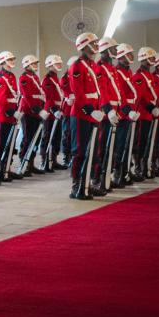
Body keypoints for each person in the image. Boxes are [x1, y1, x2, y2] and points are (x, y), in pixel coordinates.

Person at [69, 32, 105, 200]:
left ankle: (87, 184)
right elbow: (78, 92)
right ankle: (77, 185)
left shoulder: (93, 65)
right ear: (84, 46)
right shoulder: (77, 66)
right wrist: (90, 110)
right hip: (82, 114)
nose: (96, 46)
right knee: (80, 151)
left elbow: (97, 92)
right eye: (93, 43)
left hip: (94, 114)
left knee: (93, 151)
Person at [91, 37, 123, 193]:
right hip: (105, 113)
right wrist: (109, 109)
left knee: (111, 147)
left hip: (114, 112)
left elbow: (117, 92)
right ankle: (96, 179)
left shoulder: (111, 68)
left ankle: (106, 177)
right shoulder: (100, 68)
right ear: (106, 50)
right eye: (114, 48)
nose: (116, 51)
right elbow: (102, 91)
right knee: (101, 148)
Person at [113, 43, 141, 187]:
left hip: (130, 112)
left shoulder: (128, 72)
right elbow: (120, 94)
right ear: (121, 56)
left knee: (127, 145)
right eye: (129, 54)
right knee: (119, 146)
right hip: (123, 113)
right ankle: (118, 174)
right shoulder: (117, 72)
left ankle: (125, 171)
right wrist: (127, 110)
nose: (131, 57)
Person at [0, 51, 23, 181]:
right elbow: (1, 99)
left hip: (12, 114)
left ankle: (7, 168)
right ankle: (0, 169)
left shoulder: (11, 75)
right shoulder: (0, 77)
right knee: (1, 143)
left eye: (12, 59)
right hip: (4, 115)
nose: (12, 61)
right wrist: (12, 112)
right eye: (10, 59)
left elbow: (14, 96)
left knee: (10, 143)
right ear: (3, 61)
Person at [16, 55, 48, 177]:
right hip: (29, 111)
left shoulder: (34, 76)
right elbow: (28, 96)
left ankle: (31, 163)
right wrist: (37, 110)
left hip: (37, 110)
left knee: (36, 138)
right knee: (28, 138)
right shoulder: (24, 78)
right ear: (27, 64)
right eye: (33, 63)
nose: (35, 65)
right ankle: (24, 162)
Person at [131, 47, 159, 181]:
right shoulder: (138, 76)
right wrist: (150, 108)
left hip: (150, 113)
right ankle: (138, 167)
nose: (153, 60)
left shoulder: (149, 75)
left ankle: (146, 165)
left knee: (148, 142)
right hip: (142, 114)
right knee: (140, 142)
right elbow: (140, 97)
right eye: (151, 57)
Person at [40, 54, 66, 172]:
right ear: (50, 65)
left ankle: (53, 160)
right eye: (57, 63)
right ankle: (44, 161)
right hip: (50, 112)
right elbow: (48, 98)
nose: (59, 65)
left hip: (58, 111)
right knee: (47, 136)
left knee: (56, 137)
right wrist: (54, 110)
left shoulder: (55, 78)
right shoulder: (47, 79)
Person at [60, 56, 77, 169]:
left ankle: (73, 155)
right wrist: (70, 95)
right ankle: (66, 156)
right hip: (67, 108)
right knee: (67, 133)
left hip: (76, 108)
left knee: (74, 134)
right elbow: (65, 89)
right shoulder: (65, 78)